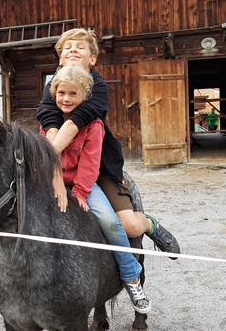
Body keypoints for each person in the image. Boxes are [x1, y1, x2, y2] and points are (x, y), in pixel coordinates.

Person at [37, 28, 180, 257]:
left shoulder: (98, 87)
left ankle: (150, 225)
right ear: (60, 59)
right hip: (59, 164)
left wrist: (47, 155)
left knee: (130, 226)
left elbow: (75, 123)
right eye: (67, 47)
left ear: (92, 59)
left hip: (97, 166)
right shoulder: (52, 86)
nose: (73, 49)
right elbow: (49, 121)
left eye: (80, 47)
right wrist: (49, 164)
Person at [41, 64, 151, 313]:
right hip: (53, 181)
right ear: (53, 93)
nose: (66, 99)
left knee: (110, 222)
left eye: (73, 94)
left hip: (84, 184)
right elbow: (47, 157)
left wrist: (80, 192)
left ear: (84, 95)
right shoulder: (49, 121)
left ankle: (131, 276)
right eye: (61, 93)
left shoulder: (94, 126)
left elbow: (90, 164)